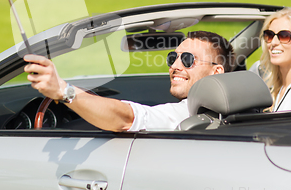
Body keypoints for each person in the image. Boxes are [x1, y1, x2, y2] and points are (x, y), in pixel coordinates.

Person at [24, 31, 234, 131]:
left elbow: (126, 118)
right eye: (173, 57)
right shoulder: (256, 111)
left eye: (188, 59)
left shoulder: (186, 114)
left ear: (216, 71)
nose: (175, 66)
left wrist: (64, 91)